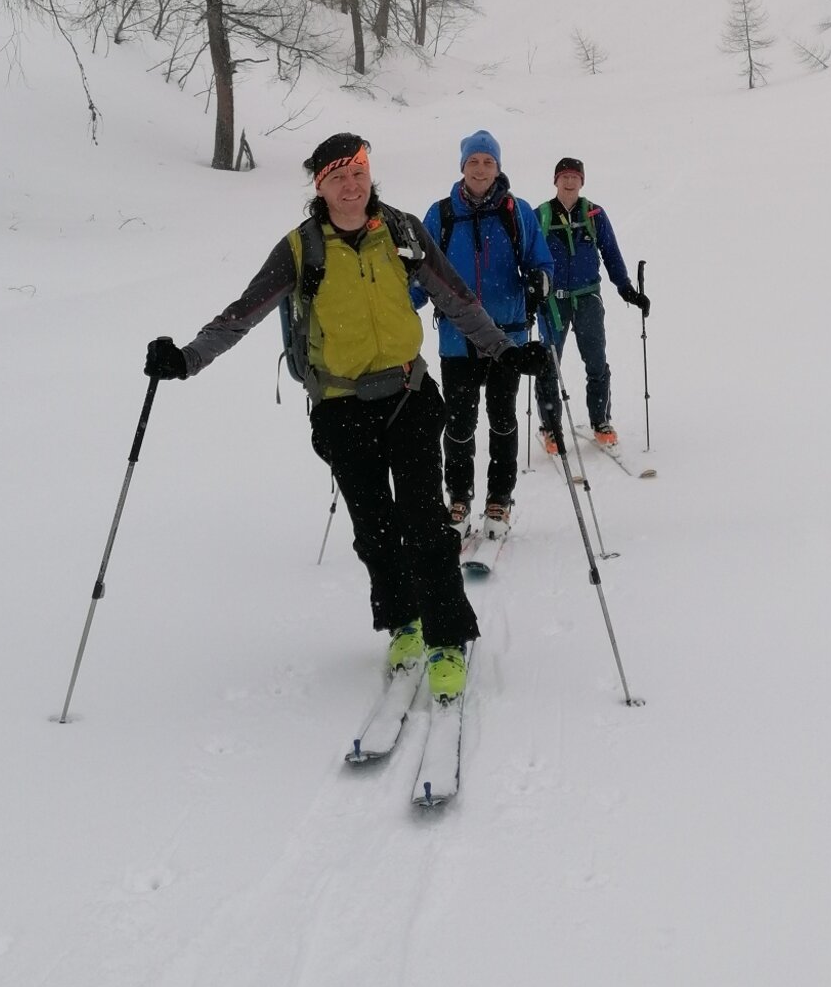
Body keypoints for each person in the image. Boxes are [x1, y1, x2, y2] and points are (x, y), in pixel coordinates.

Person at [143, 132, 548, 701]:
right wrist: (186, 359)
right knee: (375, 530)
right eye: (338, 177)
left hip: (408, 395)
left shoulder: (403, 231)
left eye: (358, 172)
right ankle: (404, 623)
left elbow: (456, 298)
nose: (352, 185)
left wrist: (505, 349)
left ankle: (447, 638)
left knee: (426, 523)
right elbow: (242, 315)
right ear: (320, 185)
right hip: (340, 408)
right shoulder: (300, 248)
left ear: (368, 174)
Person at [414, 130, 553, 533]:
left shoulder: (518, 212)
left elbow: (540, 261)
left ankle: (498, 499)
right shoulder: (439, 215)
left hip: (508, 339)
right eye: (473, 161)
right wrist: (402, 307)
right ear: (462, 166)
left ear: (498, 167)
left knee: (503, 419)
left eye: (487, 162)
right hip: (458, 339)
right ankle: (458, 499)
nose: (480, 169)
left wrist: (538, 282)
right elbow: (421, 275)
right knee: (457, 423)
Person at [534, 156, 649, 452]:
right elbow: (528, 257)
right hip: (552, 301)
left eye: (575, 176)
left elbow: (610, 252)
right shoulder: (540, 215)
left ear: (582, 181)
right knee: (548, 364)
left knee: (596, 361)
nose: (569, 181)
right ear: (555, 180)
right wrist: (528, 292)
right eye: (564, 176)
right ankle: (550, 427)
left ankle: (600, 421)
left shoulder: (594, 214)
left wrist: (627, 290)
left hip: (587, 298)